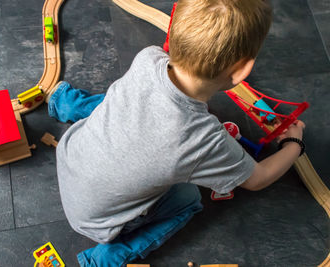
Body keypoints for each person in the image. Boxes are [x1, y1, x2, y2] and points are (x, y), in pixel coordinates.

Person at [46, 0, 305, 266]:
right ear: (242, 70)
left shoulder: (148, 58)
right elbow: (257, 179)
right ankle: (109, 257)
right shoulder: (205, 139)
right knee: (188, 199)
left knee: (117, 102)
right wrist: (294, 145)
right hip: (98, 223)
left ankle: (66, 103)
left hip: (70, 157)